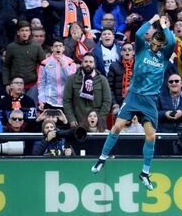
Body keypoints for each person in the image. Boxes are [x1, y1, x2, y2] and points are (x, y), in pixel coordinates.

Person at [91, 14, 175, 191]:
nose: (156, 46)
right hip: (134, 97)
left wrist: (165, 26)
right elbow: (138, 33)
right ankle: (102, 159)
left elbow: (173, 42)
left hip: (150, 100)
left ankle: (144, 173)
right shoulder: (141, 49)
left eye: (159, 44)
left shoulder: (163, 57)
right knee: (117, 126)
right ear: (150, 41)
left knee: (151, 136)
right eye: (154, 42)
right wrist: (152, 20)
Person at [63, 53, 112, 127]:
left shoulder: (102, 80)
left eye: (90, 62)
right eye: (86, 62)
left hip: (98, 124)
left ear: (94, 64)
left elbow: (107, 101)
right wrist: (71, 119)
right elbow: (67, 101)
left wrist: (99, 118)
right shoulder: (71, 79)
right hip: (78, 122)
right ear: (82, 63)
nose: (88, 64)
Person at [2, 20, 46, 100]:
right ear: (18, 32)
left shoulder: (36, 46)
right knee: (16, 110)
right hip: (15, 85)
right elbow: (6, 67)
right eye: (22, 30)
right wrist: (7, 84)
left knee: (31, 109)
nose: (25, 33)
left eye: (27, 30)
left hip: (33, 85)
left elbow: (44, 64)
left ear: (30, 32)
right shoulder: (11, 47)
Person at [38, 38, 76, 110]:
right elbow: (41, 83)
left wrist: (63, 63)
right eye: (55, 46)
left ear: (63, 48)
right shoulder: (45, 63)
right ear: (52, 48)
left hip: (66, 101)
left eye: (60, 46)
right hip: (49, 101)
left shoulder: (70, 62)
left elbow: (72, 79)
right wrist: (42, 100)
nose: (58, 48)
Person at [107, 42, 134, 114]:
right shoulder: (114, 66)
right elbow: (109, 87)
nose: (127, 51)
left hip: (134, 103)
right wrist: (114, 103)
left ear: (133, 52)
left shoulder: (138, 66)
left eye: (129, 49)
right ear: (121, 53)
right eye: (124, 50)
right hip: (119, 104)